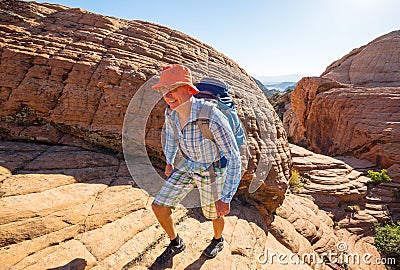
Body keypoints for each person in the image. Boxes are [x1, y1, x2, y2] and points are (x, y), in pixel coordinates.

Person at [151, 64, 241, 264]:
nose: (168, 95)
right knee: (159, 207)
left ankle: (218, 239)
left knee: (213, 213)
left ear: (189, 89)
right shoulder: (171, 113)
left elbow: (234, 157)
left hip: (211, 169)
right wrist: (169, 161)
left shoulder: (211, 116)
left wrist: (226, 198)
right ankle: (176, 243)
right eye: (165, 90)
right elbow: (171, 137)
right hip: (188, 164)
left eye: (173, 88)